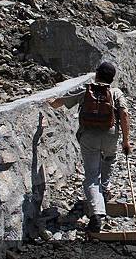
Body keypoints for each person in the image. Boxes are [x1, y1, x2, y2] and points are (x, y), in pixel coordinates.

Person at [49, 62, 131, 233]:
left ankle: (97, 214)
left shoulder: (85, 89)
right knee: (109, 158)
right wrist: (126, 140)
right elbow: (123, 114)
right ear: (112, 78)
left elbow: (57, 103)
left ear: (97, 74)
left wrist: (46, 103)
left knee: (92, 176)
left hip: (89, 137)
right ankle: (105, 188)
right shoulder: (116, 93)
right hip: (110, 135)